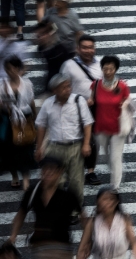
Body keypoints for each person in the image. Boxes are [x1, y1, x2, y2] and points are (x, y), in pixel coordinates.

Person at [33, 73, 93, 209]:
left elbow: (87, 123)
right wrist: (39, 147)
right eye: (64, 87)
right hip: (54, 148)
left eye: (68, 86)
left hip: (75, 147)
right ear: (55, 90)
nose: (68, 89)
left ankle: (75, 210)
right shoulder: (48, 104)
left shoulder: (78, 101)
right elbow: (41, 126)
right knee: (55, 181)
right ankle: (57, 207)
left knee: (76, 180)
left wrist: (86, 144)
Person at [1, 55, 36, 191]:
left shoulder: (27, 83)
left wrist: (34, 116)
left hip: (24, 119)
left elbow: (31, 101)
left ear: (18, 68)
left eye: (14, 68)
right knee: (9, 150)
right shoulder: (2, 85)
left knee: (25, 148)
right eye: (8, 68)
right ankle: (15, 175)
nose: (11, 71)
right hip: (9, 120)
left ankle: (26, 179)